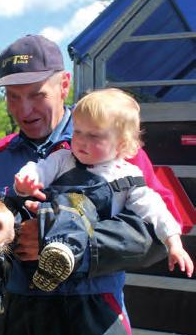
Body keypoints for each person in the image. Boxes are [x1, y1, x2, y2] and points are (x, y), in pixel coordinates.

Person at [0, 34, 186, 335]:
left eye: (37, 94)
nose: (24, 110)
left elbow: (159, 233)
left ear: (64, 84)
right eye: (13, 97)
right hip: (17, 327)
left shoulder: (117, 149)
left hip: (93, 324)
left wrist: (75, 248)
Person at [13, 88, 193, 292]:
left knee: (77, 203)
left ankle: (62, 252)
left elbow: (155, 210)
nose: (81, 140)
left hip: (94, 287)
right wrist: (25, 183)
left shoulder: (128, 175)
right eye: (77, 131)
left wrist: (173, 242)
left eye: (94, 136)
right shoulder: (63, 157)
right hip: (35, 270)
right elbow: (38, 168)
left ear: (121, 145)